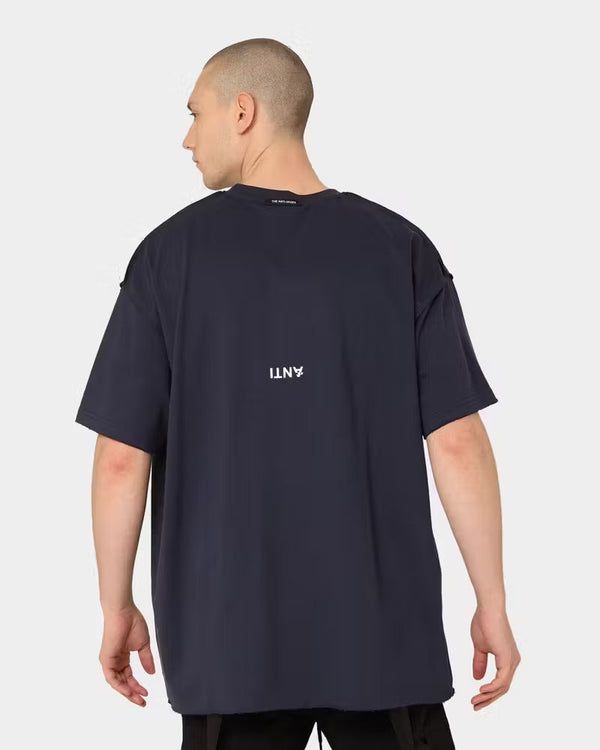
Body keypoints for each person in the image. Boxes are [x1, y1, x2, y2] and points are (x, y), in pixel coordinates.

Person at [75, 37, 521, 750]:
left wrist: (115, 604)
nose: (187, 138)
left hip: (229, 651)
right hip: (382, 646)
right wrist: (491, 601)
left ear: (242, 111)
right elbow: (458, 442)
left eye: (195, 113)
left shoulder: (166, 258)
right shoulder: (400, 249)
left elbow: (122, 456)